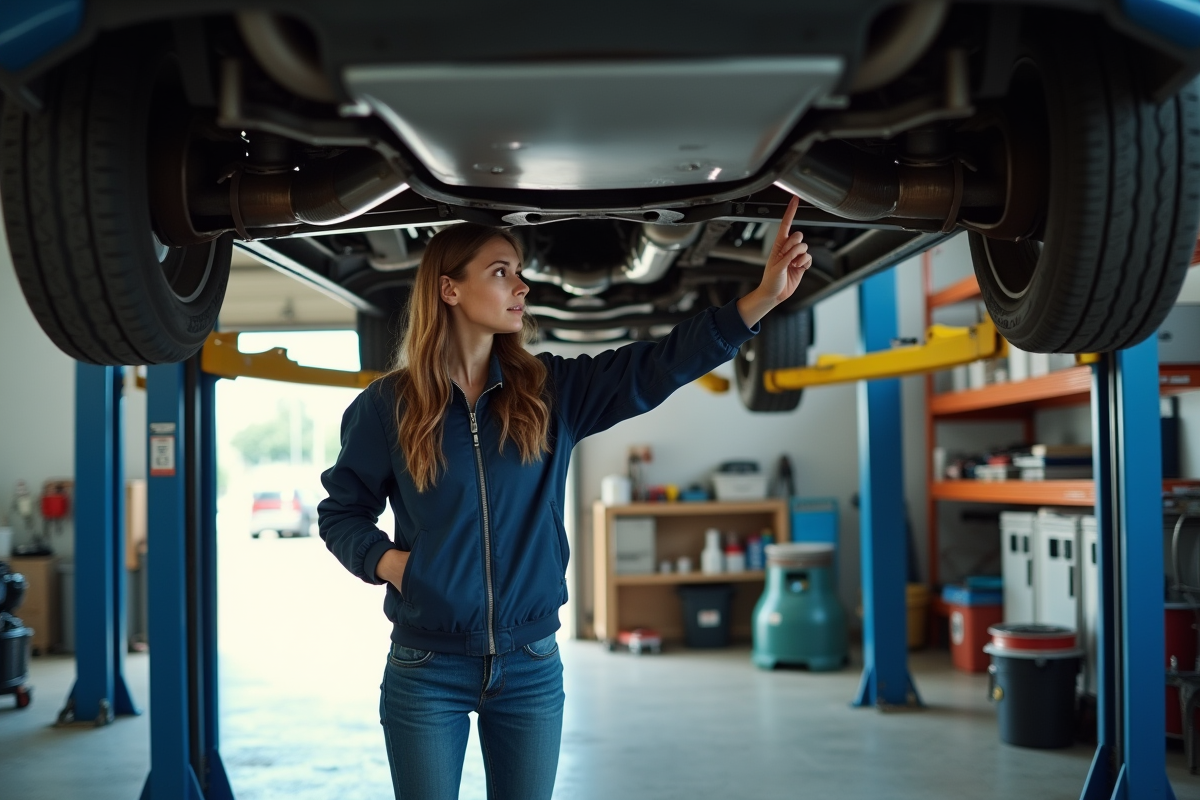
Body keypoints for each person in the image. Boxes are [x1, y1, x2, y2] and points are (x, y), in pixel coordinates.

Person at [317, 196, 813, 799]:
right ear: (449, 289)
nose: (521, 285)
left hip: (529, 664)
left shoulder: (549, 392)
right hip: (426, 669)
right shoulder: (388, 406)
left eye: (520, 271)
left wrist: (759, 301)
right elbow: (341, 510)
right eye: (501, 272)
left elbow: (654, 367)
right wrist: (388, 563)